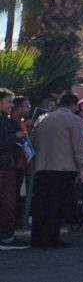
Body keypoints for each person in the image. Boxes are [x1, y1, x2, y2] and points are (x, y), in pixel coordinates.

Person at [29, 93, 83, 249]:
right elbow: (79, 147)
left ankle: (37, 238)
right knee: (56, 206)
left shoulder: (42, 119)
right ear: (74, 105)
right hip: (64, 168)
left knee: (41, 204)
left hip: (42, 167)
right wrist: (82, 168)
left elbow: (33, 141)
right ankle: (51, 239)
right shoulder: (75, 120)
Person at [0, 88, 28, 250]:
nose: (12, 105)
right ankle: (6, 238)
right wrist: (15, 137)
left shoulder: (9, 120)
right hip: (3, 168)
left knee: (8, 204)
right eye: (8, 101)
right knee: (7, 203)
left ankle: (7, 237)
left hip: (9, 167)